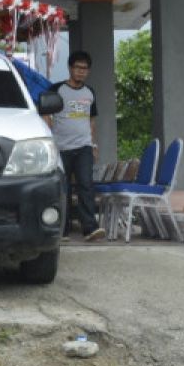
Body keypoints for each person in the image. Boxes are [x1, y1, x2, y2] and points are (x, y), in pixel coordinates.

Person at [49, 50, 106, 242]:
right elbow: (46, 117)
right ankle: (62, 230)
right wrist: (50, 142)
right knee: (62, 188)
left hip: (84, 148)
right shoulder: (56, 89)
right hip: (60, 148)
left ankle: (90, 228)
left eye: (85, 68)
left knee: (86, 186)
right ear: (70, 68)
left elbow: (91, 121)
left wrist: (93, 144)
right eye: (78, 67)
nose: (81, 72)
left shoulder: (89, 92)